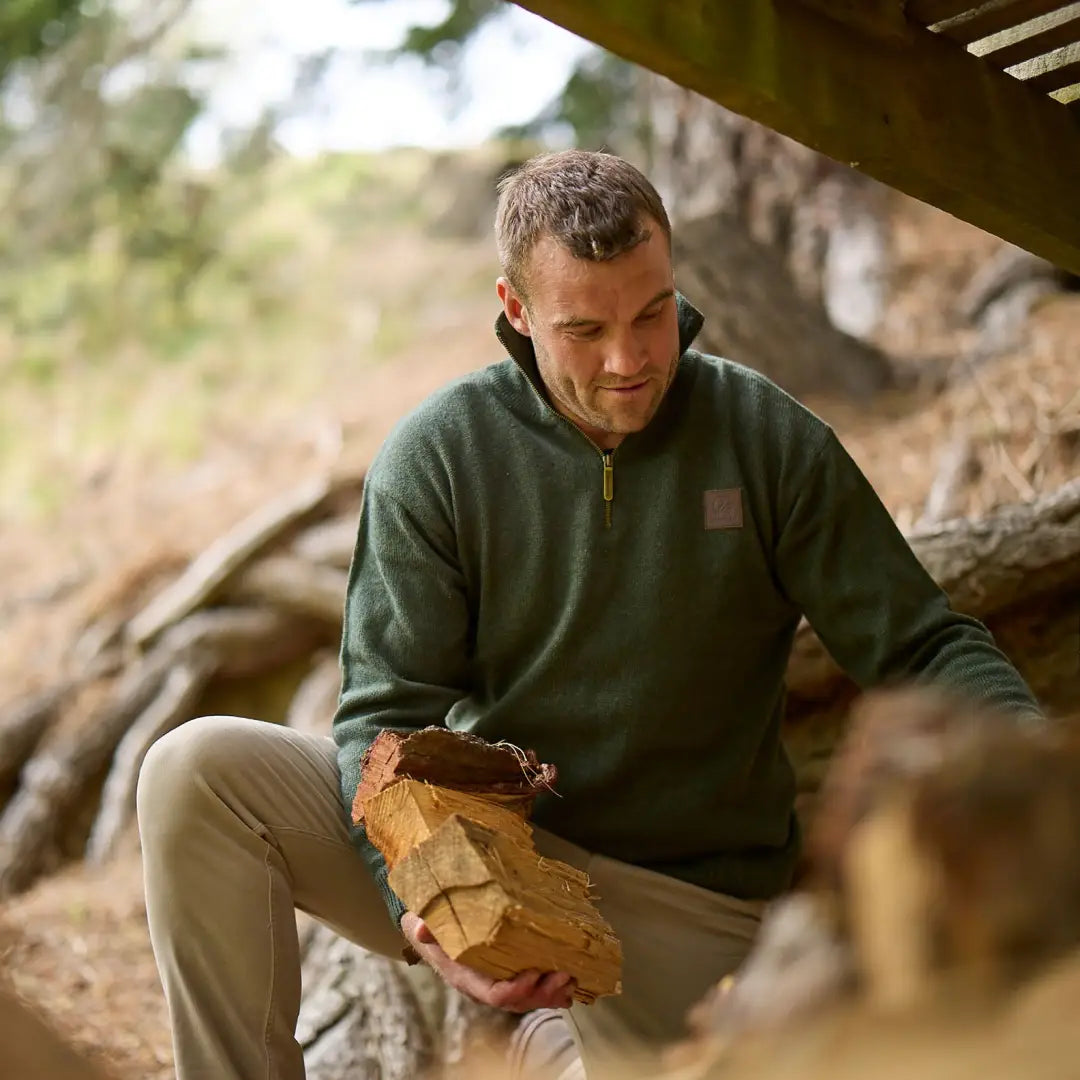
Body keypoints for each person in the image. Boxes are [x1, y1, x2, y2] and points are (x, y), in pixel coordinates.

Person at [137, 150, 1040, 1080]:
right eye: (585, 329)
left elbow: (922, 644)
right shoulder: (438, 460)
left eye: (653, 313)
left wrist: (1045, 779)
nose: (630, 360)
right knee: (197, 774)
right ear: (517, 310)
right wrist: (423, 906)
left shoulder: (764, 437)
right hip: (495, 857)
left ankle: (553, 1044)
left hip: (689, 903)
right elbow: (384, 719)